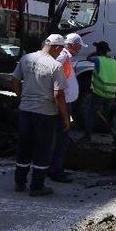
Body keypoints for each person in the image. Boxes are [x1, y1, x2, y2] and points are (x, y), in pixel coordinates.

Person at [11, 34, 70, 196]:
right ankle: (37, 187)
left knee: (24, 146)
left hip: (25, 111)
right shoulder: (55, 66)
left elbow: (15, 81)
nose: (60, 53)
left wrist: (21, 97)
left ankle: (20, 183)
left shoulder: (26, 58)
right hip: (45, 113)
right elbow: (58, 95)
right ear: (56, 47)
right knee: (42, 149)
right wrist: (65, 117)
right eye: (60, 50)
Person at [47, 32, 84, 183]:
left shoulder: (65, 57)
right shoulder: (63, 57)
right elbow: (53, 76)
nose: (80, 49)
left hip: (64, 102)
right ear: (73, 45)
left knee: (59, 138)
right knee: (61, 139)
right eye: (79, 46)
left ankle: (53, 168)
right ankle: (56, 171)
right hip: (62, 103)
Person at [79, 41, 116, 144]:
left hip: (99, 94)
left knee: (90, 114)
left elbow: (88, 58)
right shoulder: (114, 62)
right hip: (111, 95)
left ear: (99, 51)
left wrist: (95, 53)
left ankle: (87, 137)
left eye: (97, 49)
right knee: (110, 117)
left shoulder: (98, 60)